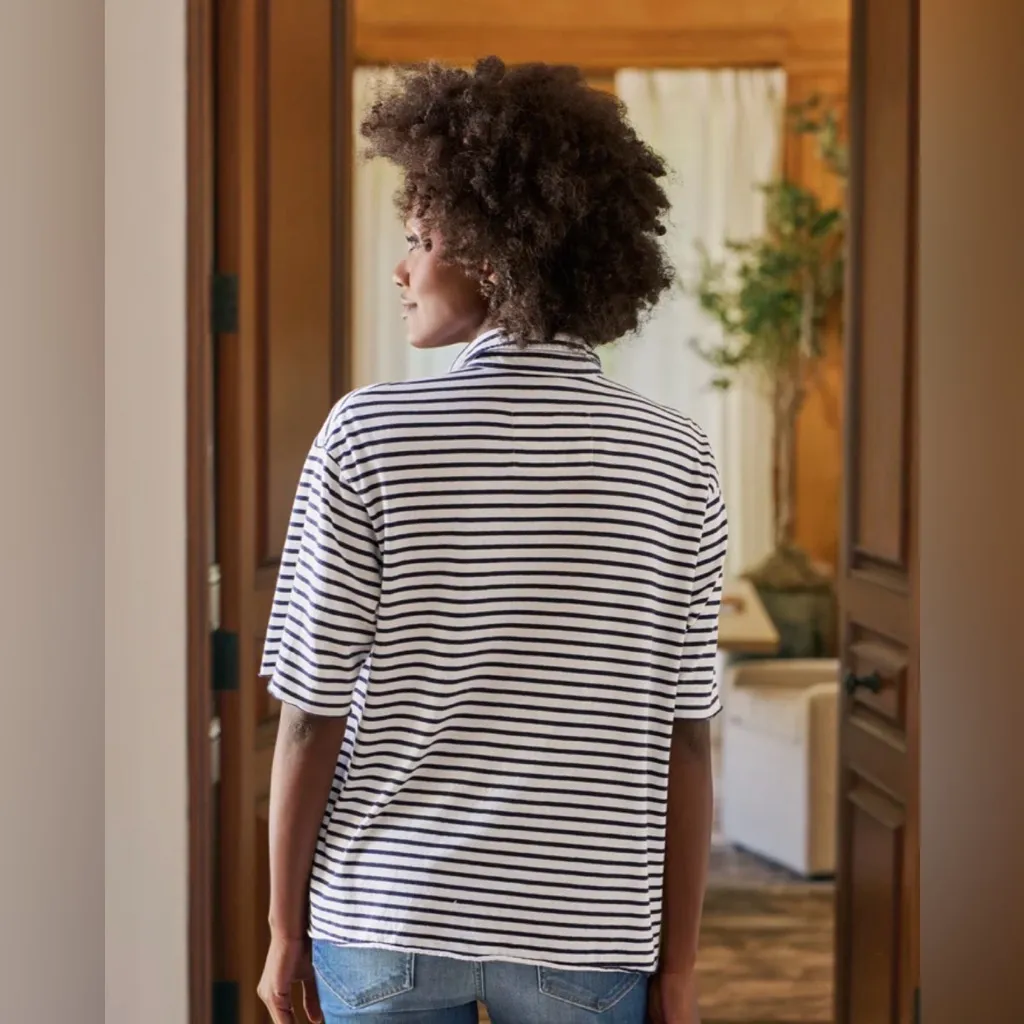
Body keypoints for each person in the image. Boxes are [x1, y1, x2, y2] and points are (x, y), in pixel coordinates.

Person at [257, 57, 727, 1024]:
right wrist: (678, 969)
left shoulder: (366, 433)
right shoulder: (678, 455)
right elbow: (686, 739)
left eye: (420, 240)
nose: (401, 269)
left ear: (492, 255)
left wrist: (283, 928)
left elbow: (310, 715)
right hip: (588, 932)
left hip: (387, 913)